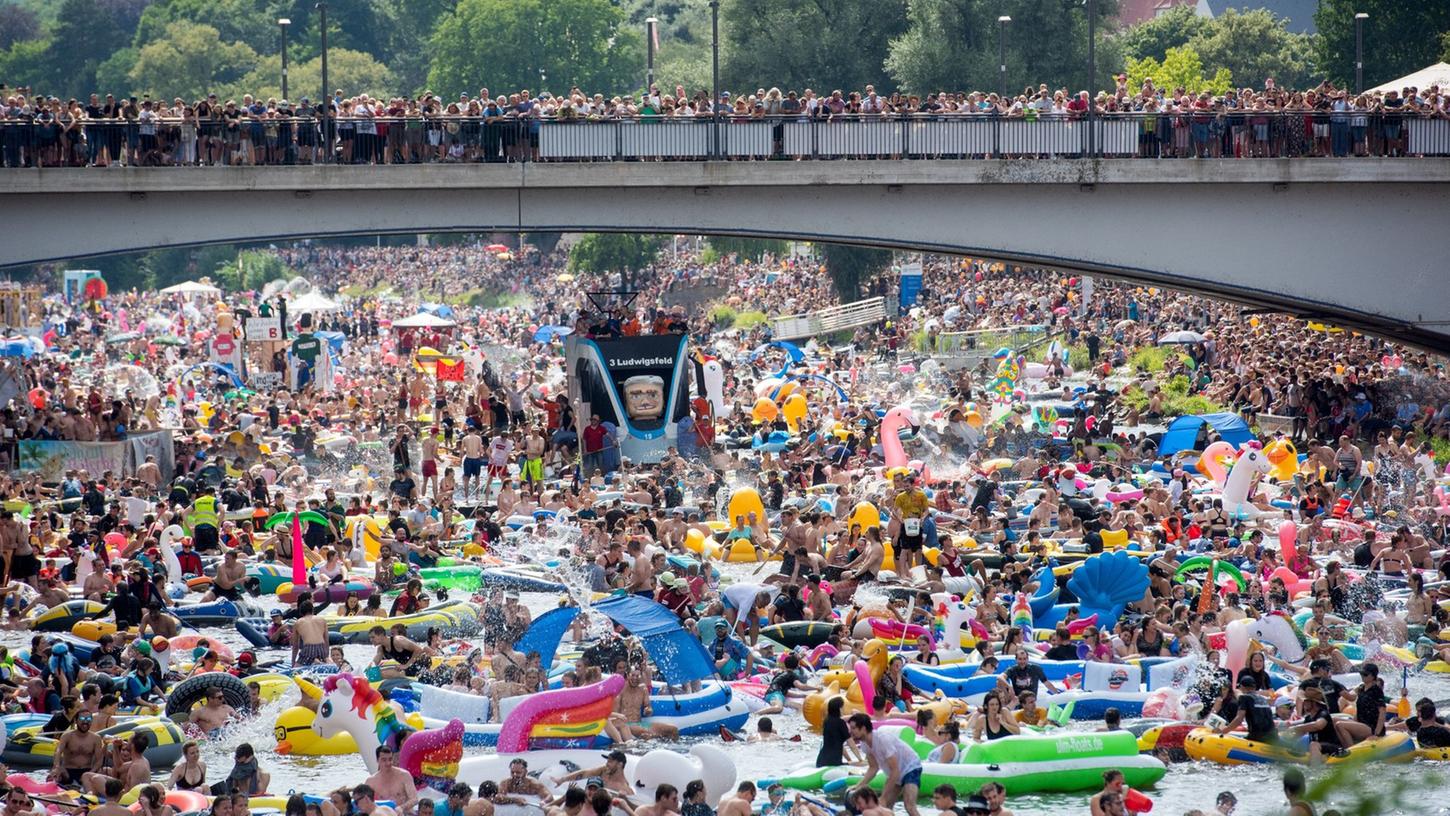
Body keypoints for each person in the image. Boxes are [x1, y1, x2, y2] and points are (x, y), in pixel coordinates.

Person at [847, 713, 922, 816]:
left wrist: (883, 796)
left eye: (853, 728)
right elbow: (873, 768)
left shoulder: (882, 739)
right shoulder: (864, 745)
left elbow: (895, 770)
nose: (850, 732)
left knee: (909, 806)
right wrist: (859, 785)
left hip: (910, 768)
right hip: (895, 772)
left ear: (863, 728)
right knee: (885, 806)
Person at [49, 710, 102, 787]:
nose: (85, 722)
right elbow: (58, 751)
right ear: (76, 721)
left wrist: (91, 773)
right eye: (82, 718)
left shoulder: (96, 738)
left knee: (101, 771)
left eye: (88, 719)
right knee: (56, 773)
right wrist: (57, 767)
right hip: (67, 771)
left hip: (86, 770)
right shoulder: (67, 736)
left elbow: (99, 760)